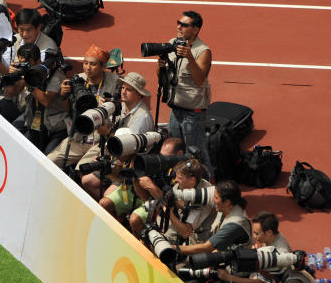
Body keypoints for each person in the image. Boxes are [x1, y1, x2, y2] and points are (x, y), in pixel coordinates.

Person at [79, 72, 155, 200]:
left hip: (129, 168)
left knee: (106, 197)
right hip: (114, 159)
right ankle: (110, 209)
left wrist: (107, 133)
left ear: (139, 94)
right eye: (123, 88)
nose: (123, 92)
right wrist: (104, 111)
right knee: (86, 180)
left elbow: (127, 152)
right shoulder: (123, 105)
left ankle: (115, 212)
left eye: (129, 90)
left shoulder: (142, 117)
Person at [158, 11, 214, 177]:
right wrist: (160, 66)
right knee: (177, 151)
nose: (179, 27)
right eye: (178, 23)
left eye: (184, 25)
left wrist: (190, 58)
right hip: (175, 109)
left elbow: (199, 79)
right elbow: (164, 78)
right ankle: (182, 182)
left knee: (198, 154)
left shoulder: (202, 51)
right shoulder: (172, 44)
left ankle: (210, 188)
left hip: (193, 114)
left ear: (195, 30)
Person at [46, 45, 120, 169]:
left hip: (100, 139)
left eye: (93, 64)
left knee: (81, 169)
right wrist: (64, 96)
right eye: (85, 63)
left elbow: (120, 111)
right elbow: (68, 111)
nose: (88, 68)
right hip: (78, 138)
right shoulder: (78, 80)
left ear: (103, 66)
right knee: (49, 162)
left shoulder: (115, 82)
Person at [6, 44, 67, 153]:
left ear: (38, 60)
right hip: (33, 120)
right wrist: (11, 76)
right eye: (21, 63)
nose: (24, 66)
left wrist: (28, 83)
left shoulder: (56, 75)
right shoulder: (23, 72)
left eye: (27, 63)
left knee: (48, 154)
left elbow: (46, 101)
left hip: (54, 126)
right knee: (15, 141)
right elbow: (10, 94)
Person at [174, 180, 251, 256]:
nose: (212, 200)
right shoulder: (229, 205)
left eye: (216, 198)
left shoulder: (234, 224)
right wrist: (173, 195)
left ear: (227, 202)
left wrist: (172, 248)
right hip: (222, 256)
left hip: (232, 265)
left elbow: (207, 247)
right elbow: (192, 195)